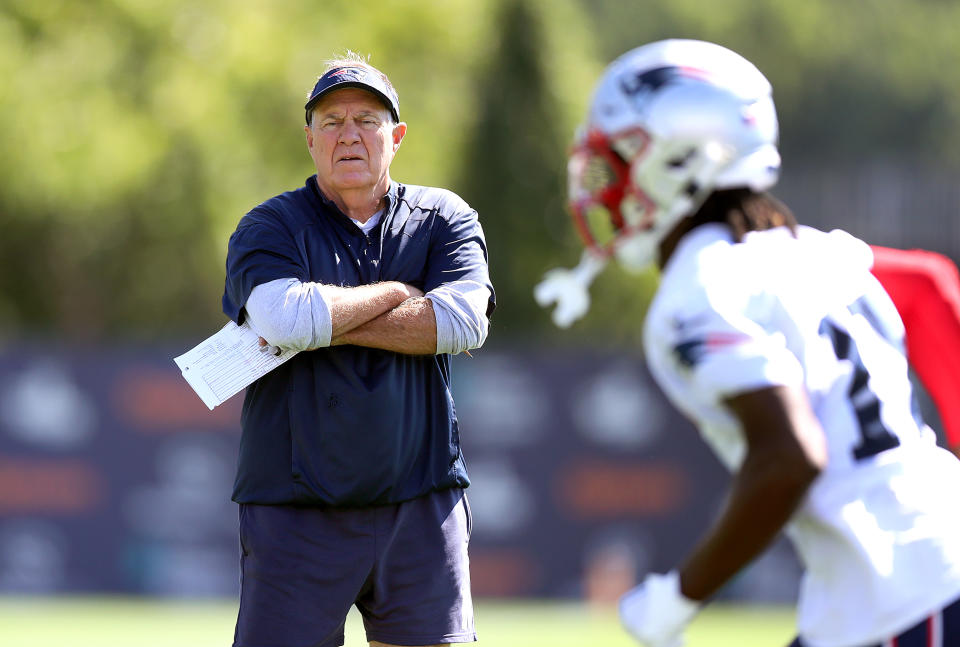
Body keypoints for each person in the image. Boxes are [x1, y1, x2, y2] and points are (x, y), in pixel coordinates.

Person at [535, 39, 960, 647]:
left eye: (620, 160)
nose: (604, 185)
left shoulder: (700, 289)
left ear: (682, 159)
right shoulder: (819, 253)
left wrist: (675, 598)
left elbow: (790, 457)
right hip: (902, 579)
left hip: (904, 592)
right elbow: (928, 283)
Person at [221, 52, 495, 647]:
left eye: (367, 120)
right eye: (332, 121)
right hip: (293, 509)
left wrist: (321, 321)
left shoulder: (444, 218)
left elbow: (462, 323)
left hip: (420, 502)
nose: (350, 135)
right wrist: (400, 292)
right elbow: (282, 319)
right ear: (310, 139)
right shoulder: (268, 226)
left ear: (395, 137)